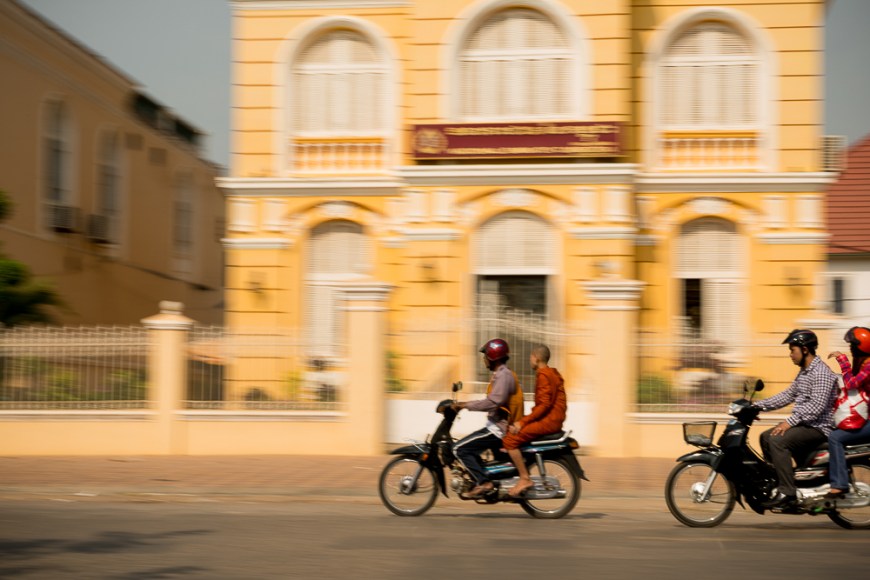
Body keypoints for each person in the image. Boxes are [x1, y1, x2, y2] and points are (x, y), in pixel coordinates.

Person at [755, 329, 839, 509]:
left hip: (819, 428)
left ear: (805, 350)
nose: (790, 355)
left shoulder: (821, 373)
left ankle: (788, 492)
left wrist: (789, 422)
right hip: (806, 424)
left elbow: (816, 407)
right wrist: (757, 406)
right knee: (765, 437)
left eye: (793, 350)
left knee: (777, 440)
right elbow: (788, 395)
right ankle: (781, 481)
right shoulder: (805, 372)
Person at [452, 338, 523, 498]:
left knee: (459, 449)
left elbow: (493, 402)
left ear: (493, 356)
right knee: (471, 447)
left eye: (485, 356)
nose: (484, 360)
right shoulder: (501, 374)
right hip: (495, 426)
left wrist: (465, 405)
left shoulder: (503, 375)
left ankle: (483, 482)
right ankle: (486, 478)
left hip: (497, 429)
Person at [502, 344, 567, 498]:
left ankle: (524, 478)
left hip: (549, 421)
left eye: (531, 357)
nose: (529, 360)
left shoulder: (544, 375)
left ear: (536, 358)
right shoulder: (551, 373)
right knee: (512, 430)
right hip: (552, 419)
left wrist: (522, 423)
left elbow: (543, 405)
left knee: (510, 440)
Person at [826, 326, 870, 498]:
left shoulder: (868, 367)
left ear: (862, 346)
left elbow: (851, 384)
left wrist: (842, 360)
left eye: (853, 345)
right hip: (866, 417)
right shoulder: (862, 362)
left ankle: (840, 484)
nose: (850, 348)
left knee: (835, 438)